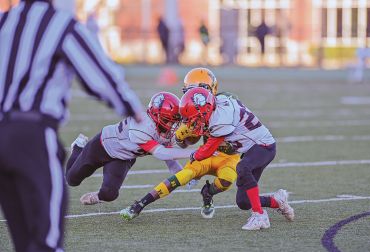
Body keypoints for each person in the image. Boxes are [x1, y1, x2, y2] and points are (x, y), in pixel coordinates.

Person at [0, 0, 145, 252]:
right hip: (30, 136)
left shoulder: (5, 21)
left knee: (25, 246)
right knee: (46, 247)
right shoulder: (60, 24)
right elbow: (99, 77)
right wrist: (133, 108)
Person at [120, 68, 292, 222]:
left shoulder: (224, 104)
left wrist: (195, 146)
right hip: (207, 154)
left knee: (229, 184)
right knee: (182, 177)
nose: (195, 93)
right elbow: (188, 141)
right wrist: (184, 136)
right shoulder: (191, 105)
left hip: (228, 156)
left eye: (199, 90)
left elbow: (215, 136)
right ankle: (140, 204)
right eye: (190, 90)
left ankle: (209, 193)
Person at [178, 87, 294, 230]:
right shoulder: (219, 102)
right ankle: (277, 202)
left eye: (195, 118)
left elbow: (206, 151)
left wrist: (192, 156)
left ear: (206, 109)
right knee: (244, 201)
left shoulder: (220, 120)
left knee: (242, 167)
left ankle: (260, 216)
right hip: (251, 149)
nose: (193, 122)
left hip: (263, 146)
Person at [66, 92, 196, 205]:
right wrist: (194, 153)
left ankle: (97, 196)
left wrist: (183, 175)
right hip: (102, 146)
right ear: (156, 116)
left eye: (175, 121)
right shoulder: (142, 125)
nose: (172, 125)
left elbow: (170, 160)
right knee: (72, 179)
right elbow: (161, 153)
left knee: (109, 194)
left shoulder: (168, 133)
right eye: (169, 120)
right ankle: (78, 148)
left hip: (123, 158)